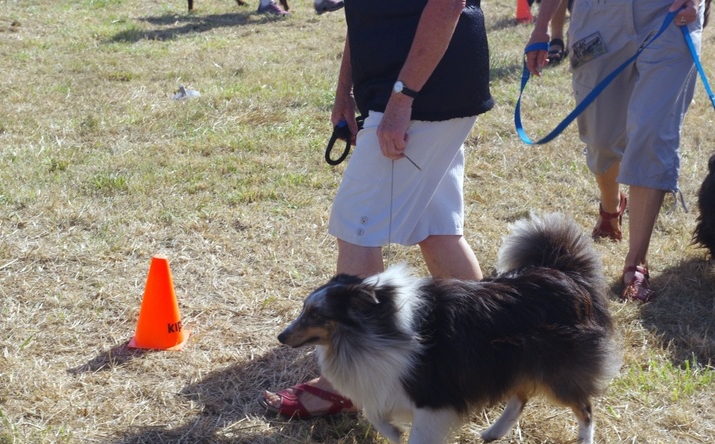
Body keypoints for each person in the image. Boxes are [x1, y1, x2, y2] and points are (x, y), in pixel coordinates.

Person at [261, 0, 494, 418]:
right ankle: (495, 350)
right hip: (416, 89)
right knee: (436, 227)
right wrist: (346, 92)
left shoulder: (408, 96)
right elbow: (365, 12)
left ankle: (349, 380)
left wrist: (401, 101)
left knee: (356, 227)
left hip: (422, 92)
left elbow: (447, 5)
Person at [524, 0, 704, 302]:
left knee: (651, 135)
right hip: (597, 17)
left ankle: (636, 263)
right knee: (600, 138)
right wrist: (541, 27)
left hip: (669, 15)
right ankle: (611, 205)